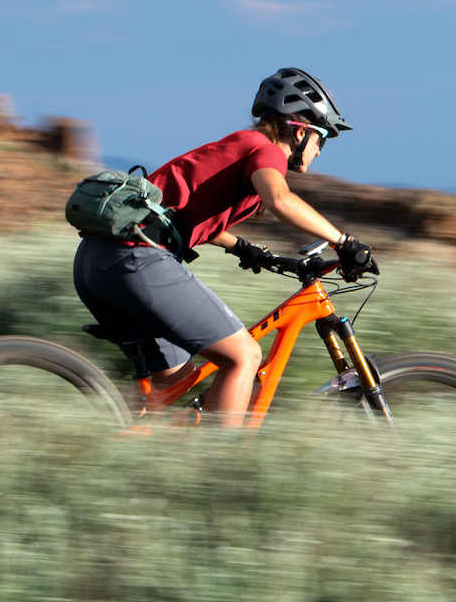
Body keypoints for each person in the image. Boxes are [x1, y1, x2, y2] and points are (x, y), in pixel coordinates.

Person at [72, 67, 375, 426]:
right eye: (322, 139)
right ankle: (219, 468)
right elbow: (280, 201)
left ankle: (120, 444)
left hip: (97, 262)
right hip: (134, 260)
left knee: (173, 381)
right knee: (244, 356)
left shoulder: (238, 146)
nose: (320, 152)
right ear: (300, 130)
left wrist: (243, 248)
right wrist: (344, 242)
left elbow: (182, 213)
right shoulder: (264, 150)